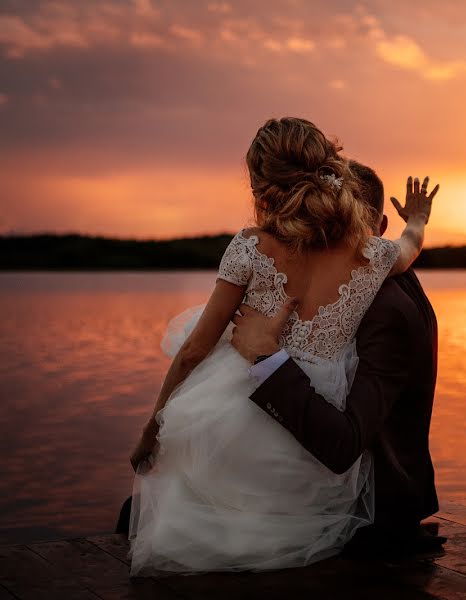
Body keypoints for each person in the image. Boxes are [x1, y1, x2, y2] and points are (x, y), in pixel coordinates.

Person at [124, 117, 438, 575]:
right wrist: (417, 219)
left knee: (191, 502)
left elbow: (193, 350)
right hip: (317, 421)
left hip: (246, 403)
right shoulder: (372, 254)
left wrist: (150, 431)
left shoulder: (250, 247)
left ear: (260, 184)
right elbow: (410, 244)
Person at [230, 160, 444, 558]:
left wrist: (266, 357)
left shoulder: (384, 308)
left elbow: (342, 445)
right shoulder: (373, 282)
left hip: (368, 517)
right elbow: (411, 238)